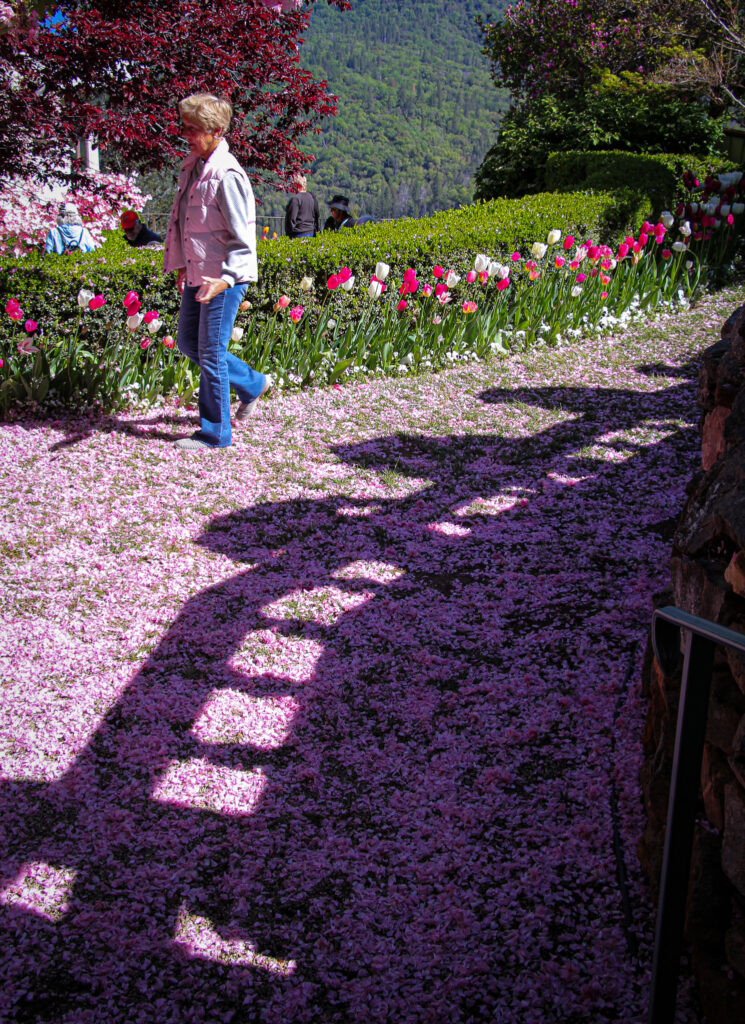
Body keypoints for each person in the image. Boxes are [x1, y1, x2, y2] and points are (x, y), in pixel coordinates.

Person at [163, 92, 270, 451]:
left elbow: (244, 238)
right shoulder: (192, 166)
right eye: (185, 128)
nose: (186, 135)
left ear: (217, 131)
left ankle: (215, 434)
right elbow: (185, 221)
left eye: (194, 129)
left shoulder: (228, 175)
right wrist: (182, 262)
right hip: (199, 273)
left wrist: (226, 278)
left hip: (223, 278)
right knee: (188, 343)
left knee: (210, 351)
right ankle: (252, 383)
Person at [284, 173, 319, 238]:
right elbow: (317, 214)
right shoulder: (311, 197)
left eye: (293, 185)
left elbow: (291, 219)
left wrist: (289, 234)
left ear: (297, 185)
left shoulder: (295, 199)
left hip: (298, 233)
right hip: (311, 232)